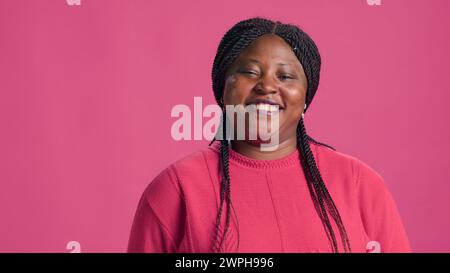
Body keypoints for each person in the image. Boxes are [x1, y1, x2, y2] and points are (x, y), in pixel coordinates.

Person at [127, 17, 411, 253]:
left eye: (285, 76)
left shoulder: (361, 185)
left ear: (305, 98)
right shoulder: (175, 189)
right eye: (250, 72)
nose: (267, 86)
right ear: (222, 90)